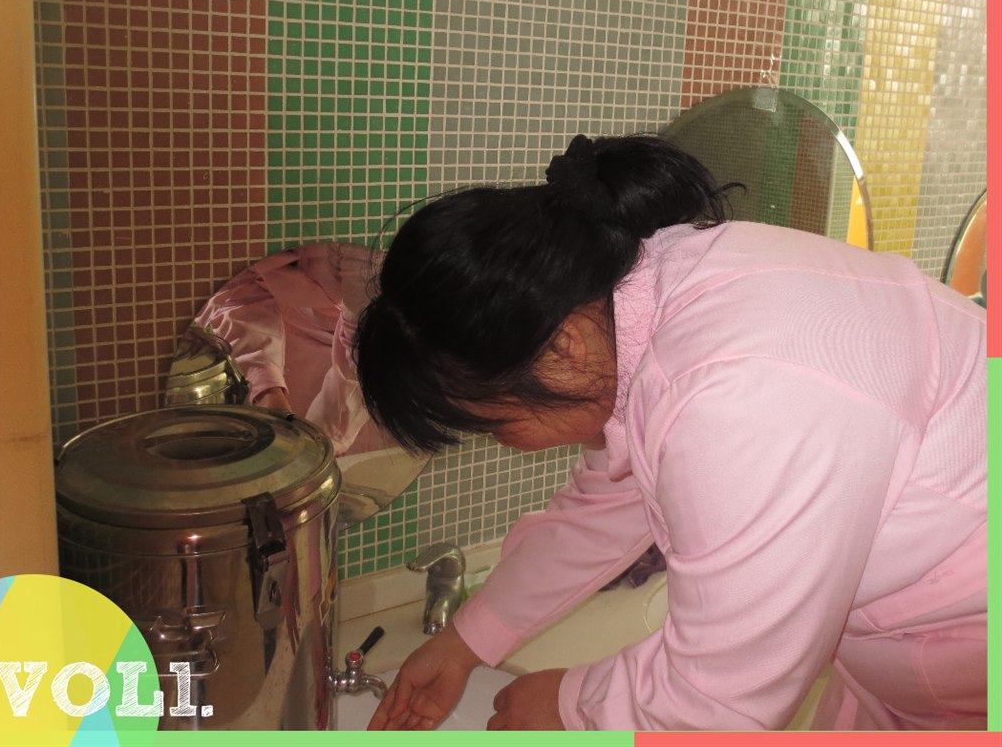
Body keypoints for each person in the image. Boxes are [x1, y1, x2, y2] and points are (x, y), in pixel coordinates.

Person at [354, 134, 987, 732]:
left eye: (496, 426)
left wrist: (568, 708)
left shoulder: (738, 392)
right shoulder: (653, 297)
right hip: (910, 667)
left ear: (563, 347)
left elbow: (720, 697)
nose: (508, 445)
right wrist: (464, 643)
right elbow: (605, 507)